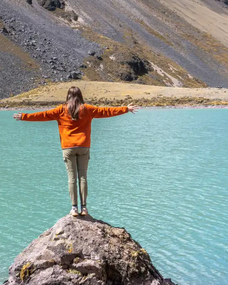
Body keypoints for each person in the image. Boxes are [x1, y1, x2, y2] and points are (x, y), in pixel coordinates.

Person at [13, 86, 138, 217]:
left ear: (68, 96)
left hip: (68, 148)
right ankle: (84, 208)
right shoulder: (88, 109)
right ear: (80, 96)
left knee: (72, 178)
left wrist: (24, 116)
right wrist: (126, 109)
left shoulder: (61, 110)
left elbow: (42, 115)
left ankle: (74, 208)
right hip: (83, 146)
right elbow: (106, 111)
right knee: (83, 177)